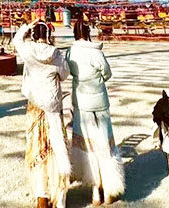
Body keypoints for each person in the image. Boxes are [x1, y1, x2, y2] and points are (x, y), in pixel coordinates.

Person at [13, 19, 71, 208]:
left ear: (34, 35)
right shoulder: (57, 54)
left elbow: (16, 40)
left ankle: (41, 195)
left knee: (37, 148)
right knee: (56, 147)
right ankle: (59, 195)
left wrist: (27, 26)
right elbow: (64, 75)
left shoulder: (27, 50)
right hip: (53, 104)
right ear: (49, 36)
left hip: (35, 104)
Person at [67, 21, 124, 206]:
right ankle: (108, 190)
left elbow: (68, 71)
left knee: (87, 145)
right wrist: (97, 79)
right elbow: (107, 73)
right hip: (99, 101)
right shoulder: (96, 52)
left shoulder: (70, 52)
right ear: (88, 32)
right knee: (104, 144)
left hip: (81, 100)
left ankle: (94, 191)